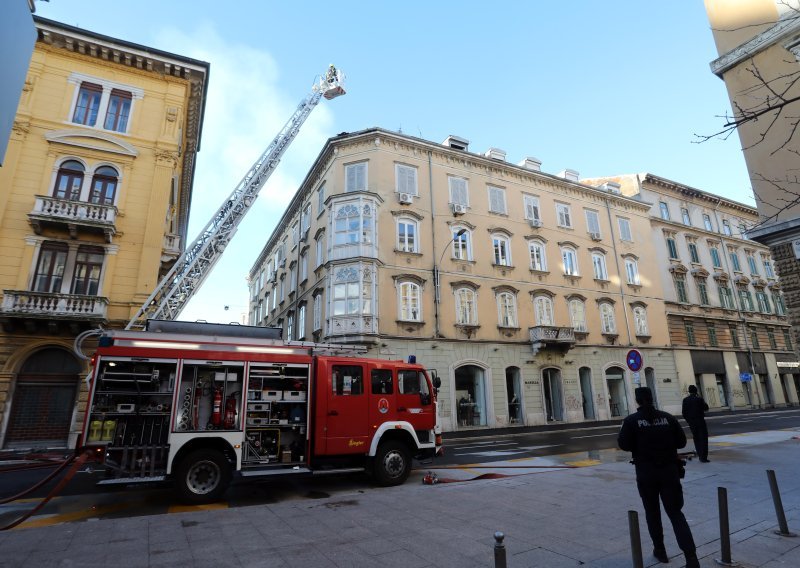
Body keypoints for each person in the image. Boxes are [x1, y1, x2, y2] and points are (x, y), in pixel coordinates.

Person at [618, 387, 700, 567]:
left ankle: (660, 551)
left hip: (646, 473)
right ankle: (691, 558)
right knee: (676, 513)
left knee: (652, 512)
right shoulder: (668, 418)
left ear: (637, 400)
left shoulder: (631, 421)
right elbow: (681, 442)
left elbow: (623, 444)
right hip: (669, 472)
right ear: (652, 398)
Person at [682, 384, 710, 462]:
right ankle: (703, 457)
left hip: (692, 422)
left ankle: (699, 454)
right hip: (700, 421)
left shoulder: (685, 400)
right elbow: (706, 408)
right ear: (696, 391)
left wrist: (689, 421)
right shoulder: (699, 399)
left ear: (689, 391)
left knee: (696, 438)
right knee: (703, 438)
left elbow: (684, 413)